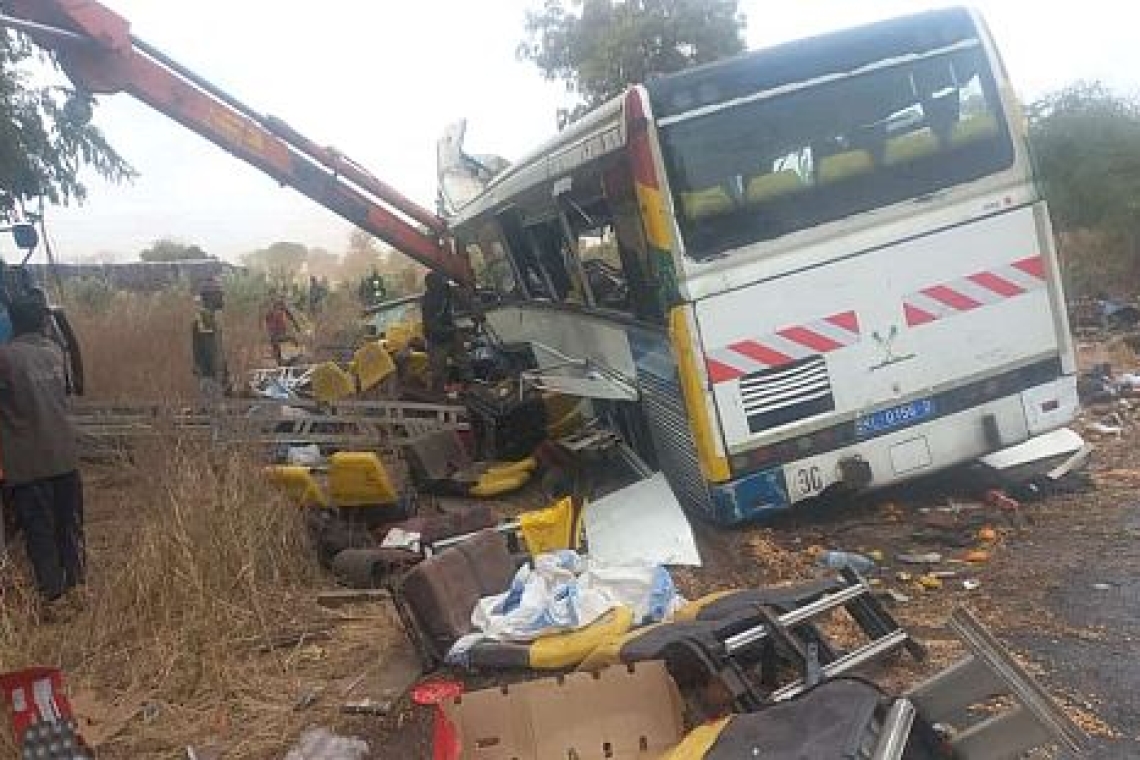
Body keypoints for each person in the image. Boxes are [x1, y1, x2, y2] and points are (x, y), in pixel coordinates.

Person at [0, 295, 84, 605]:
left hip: (28, 463)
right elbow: (72, 387)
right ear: (41, 321)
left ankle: (53, 596)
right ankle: (76, 586)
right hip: (64, 456)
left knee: (39, 529)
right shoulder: (53, 353)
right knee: (68, 525)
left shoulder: (6, 358)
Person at [422, 271, 461, 393]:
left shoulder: (448, 291)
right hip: (437, 340)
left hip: (450, 335)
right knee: (438, 372)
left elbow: (464, 299)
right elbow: (432, 326)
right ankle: (439, 396)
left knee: (463, 363)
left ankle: (465, 388)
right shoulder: (428, 302)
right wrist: (452, 330)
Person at [192, 278, 228, 399]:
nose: (222, 297)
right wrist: (221, 373)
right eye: (219, 294)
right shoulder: (204, 318)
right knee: (215, 414)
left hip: (210, 375)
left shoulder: (207, 317)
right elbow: (210, 349)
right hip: (210, 376)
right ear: (211, 296)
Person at [264, 294, 303, 366]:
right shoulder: (270, 313)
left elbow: (290, 316)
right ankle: (282, 364)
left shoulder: (282, 309)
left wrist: (297, 326)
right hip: (275, 334)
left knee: (281, 347)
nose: (280, 310)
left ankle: (284, 363)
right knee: (278, 348)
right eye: (279, 308)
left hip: (279, 333)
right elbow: (267, 323)